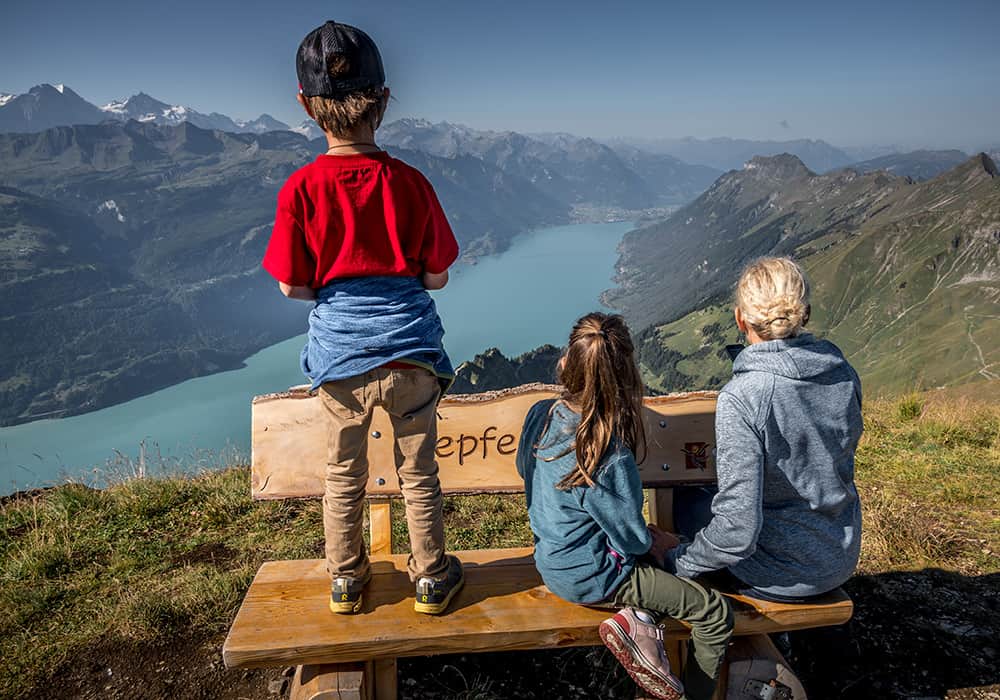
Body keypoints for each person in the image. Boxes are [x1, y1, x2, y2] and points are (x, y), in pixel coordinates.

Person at [261, 20, 463, 616]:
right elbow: (438, 275)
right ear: (384, 97)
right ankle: (431, 577)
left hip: (341, 358)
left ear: (304, 104)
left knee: (343, 473)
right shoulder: (410, 182)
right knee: (418, 472)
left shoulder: (300, 190)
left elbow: (292, 284)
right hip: (410, 354)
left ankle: (346, 579)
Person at [516, 313, 733, 700]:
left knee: (667, 569)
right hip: (598, 576)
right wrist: (658, 540)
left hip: (551, 560)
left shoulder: (539, 416)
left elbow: (526, 472)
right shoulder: (608, 454)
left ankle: (641, 624)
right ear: (626, 375)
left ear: (567, 362)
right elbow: (631, 542)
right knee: (714, 613)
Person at [667, 257, 863, 602]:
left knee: (686, 499)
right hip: (839, 555)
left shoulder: (744, 396)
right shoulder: (843, 372)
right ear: (807, 313)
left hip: (779, 573)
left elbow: (737, 531)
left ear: (740, 318)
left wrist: (677, 562)